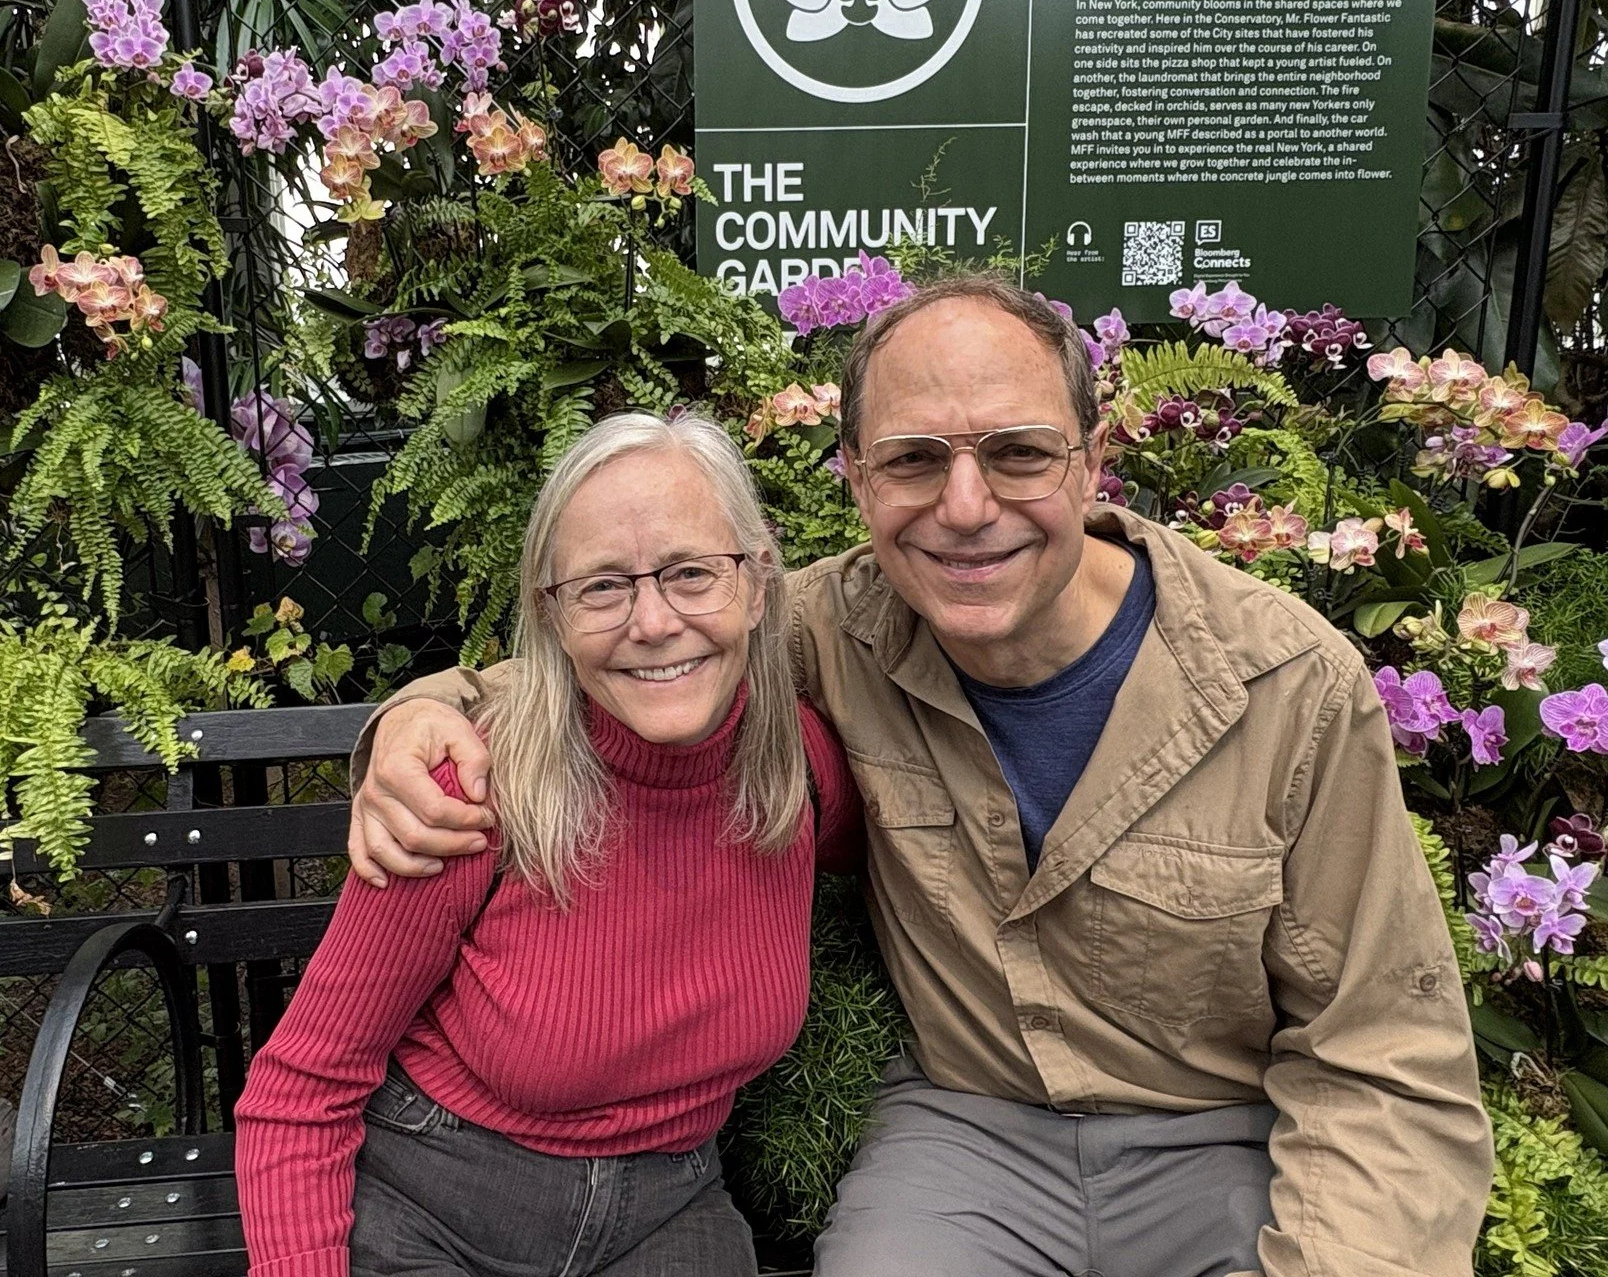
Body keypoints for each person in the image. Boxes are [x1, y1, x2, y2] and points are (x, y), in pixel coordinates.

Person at [349, 273, 1493, 1277]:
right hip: (973, 1130)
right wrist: (417, 718)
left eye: (1019, 453)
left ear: (1094, 462)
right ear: (857, 480)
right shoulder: (828, 627)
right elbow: (604, 662)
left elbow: (1385, 1058)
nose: (965, 508)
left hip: (1220, 1140)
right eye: (913, 461)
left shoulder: (1288, 689)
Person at [234, 412, 860, 1277]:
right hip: (432, 1203)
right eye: (602, 587)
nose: (653, 621)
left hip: (670, 1207)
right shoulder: (471, 792)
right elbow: (303, 1089)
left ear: (756, 585)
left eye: (691, 572)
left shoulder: (802, 775)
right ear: (551, 615)